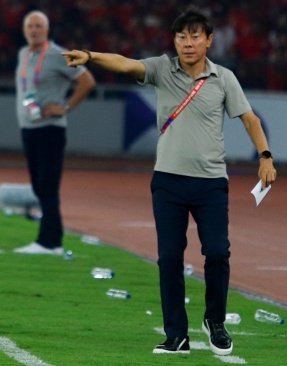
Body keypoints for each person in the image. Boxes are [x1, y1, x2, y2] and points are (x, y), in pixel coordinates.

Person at [64, 5, 276, 356]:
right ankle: (176, 335)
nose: (188, 43)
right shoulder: (162, 68)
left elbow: (250, 120)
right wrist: (89, 56)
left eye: (195, 36)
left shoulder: (223, 78)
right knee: (170, 258)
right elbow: (125, 63)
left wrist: (265, 156)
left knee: (218, 253)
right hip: (168, 182)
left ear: (209, 40)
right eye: (181, 36)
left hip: (210, 182)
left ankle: (215, 321)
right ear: (174, 41)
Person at [12, 10, 96, 255]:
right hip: (28, 127)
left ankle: (48, 242)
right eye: (30, 26)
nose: (34, 30)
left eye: (38, 26)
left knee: (47, 186)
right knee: (39, 187)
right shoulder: (23, 54)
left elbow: (87, 81)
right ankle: (52, 240)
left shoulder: (58, 55)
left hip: (50, 129)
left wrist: (66, 107)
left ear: (47, 30)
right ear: (24, 30)